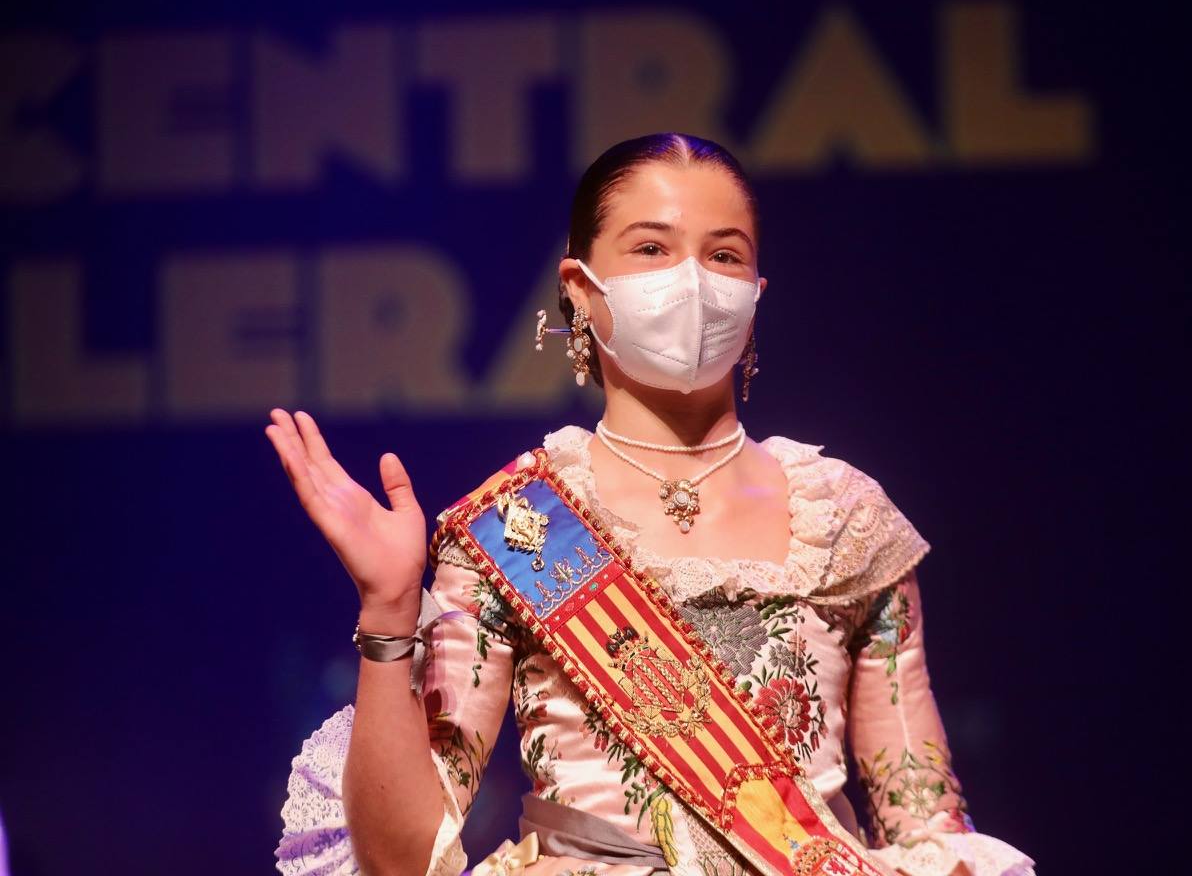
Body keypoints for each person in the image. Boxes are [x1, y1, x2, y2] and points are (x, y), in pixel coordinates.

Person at [265, 133, 1035, 876]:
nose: (693, 279)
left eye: (724, 254)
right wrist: (390, 611)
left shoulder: (845, 520)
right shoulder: (521, 523)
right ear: (579, 290)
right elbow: (399, 861)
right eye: (652, 248)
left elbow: (925, 823)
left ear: (755, 295)